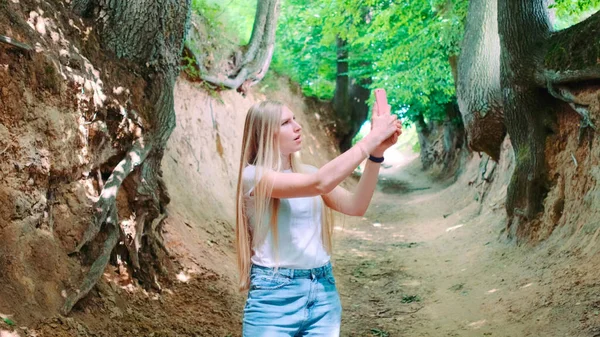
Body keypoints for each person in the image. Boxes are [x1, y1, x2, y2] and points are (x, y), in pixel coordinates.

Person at [235, 98, 401, 336]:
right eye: (285, 122)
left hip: (322, 292)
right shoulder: (253, 176)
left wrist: (376, 154)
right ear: (264, 133)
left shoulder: (309, 173)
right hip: (273, 297)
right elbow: (320, 183)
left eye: (294, 118)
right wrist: (371, 138)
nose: (297, 126)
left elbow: (356, 206)